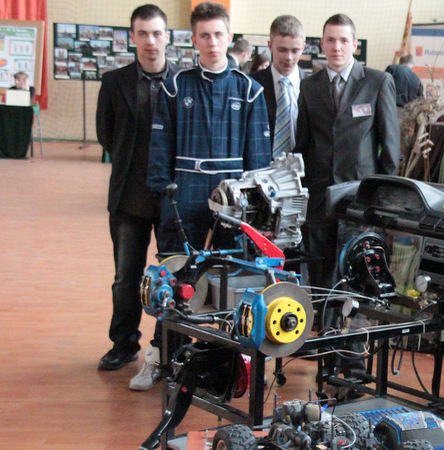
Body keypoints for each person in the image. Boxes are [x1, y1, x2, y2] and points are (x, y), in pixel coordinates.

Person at [141, 1, 272, 391]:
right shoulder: (175, 86)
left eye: (218, 34)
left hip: (231, 197)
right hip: (185, 191)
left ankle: (227, 363)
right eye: (204, 35)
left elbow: (258, 162)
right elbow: (160, 146)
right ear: (193, 39)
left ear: (229, 37)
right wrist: (164, 194)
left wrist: (255, 209)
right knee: (175, 278)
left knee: (230, 279)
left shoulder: (250, 90)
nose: (212, 42)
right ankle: (164, 358)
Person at [295, 14, 400, 385]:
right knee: (322, 285)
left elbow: (390, 152)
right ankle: (326, 364)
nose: (336, 47)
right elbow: (302, 145)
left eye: (343, 40)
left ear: (355, 45)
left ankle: (354, 370)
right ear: (321, 44)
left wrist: (381, 204)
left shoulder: (377, 82)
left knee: (357, 285)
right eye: (330, 40)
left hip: (360, 204)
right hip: (320, 204)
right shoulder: (309, 86)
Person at [95, 4, 178, 377]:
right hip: (129, 196)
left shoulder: (183, 82)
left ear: (167, 37)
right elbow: (106, 134)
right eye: (142, 33)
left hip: (172, 198)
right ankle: (124, 344)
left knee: (173, 276)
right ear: (132, 37)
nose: (150, 41)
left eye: (156, 33)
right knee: (126, 277)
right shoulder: (114, 82)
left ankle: (169, 346)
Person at [252, 15, 306, 157]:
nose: (288, 57)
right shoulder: (252, 85)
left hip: (303, 167)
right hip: (261, 164)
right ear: (270, 46)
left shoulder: (314, 87)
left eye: (295, 50)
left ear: (303, 48)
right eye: (282, 50)